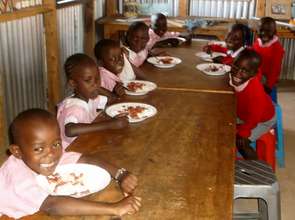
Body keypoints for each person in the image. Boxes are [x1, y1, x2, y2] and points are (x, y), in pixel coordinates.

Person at [0, 109, 141, 219]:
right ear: (17, 151)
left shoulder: (43, 157)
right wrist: (114, 208)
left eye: (56, 144)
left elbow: (86, 159)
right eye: (39, 148)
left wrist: (120, 174)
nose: (51, 154)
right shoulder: (17, 176)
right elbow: (52, 206)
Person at [57, 54, 128, 149]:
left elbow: (112, 99)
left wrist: (111, 90)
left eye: (97, 78)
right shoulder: (74, 107)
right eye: (88, 80)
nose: (95, 84)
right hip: (72, 150)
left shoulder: (90, 98)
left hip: (87, 142)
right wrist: (110, 124)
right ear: (73, 83)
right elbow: (70, 130)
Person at [229, 49, 276, 159]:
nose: (237, 72)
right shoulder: (238, 77)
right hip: (244, 114)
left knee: (241, 143)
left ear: (253, 74)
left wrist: (244, 131)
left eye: (244, 71)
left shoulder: (255, 92)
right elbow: (229, 61)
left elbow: (254, 117)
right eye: (235, 67)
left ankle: (255, 169)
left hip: (263, 120)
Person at [252, 17, 285, 95]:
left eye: (268, 31)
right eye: (261, 30)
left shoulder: (277, 48)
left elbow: (275, 69)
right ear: (257, 31)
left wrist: (269, 86)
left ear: (275, 32)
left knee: (270, 102)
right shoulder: (257, 42)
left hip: (269, 82)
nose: (264, 33)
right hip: (256, 77)